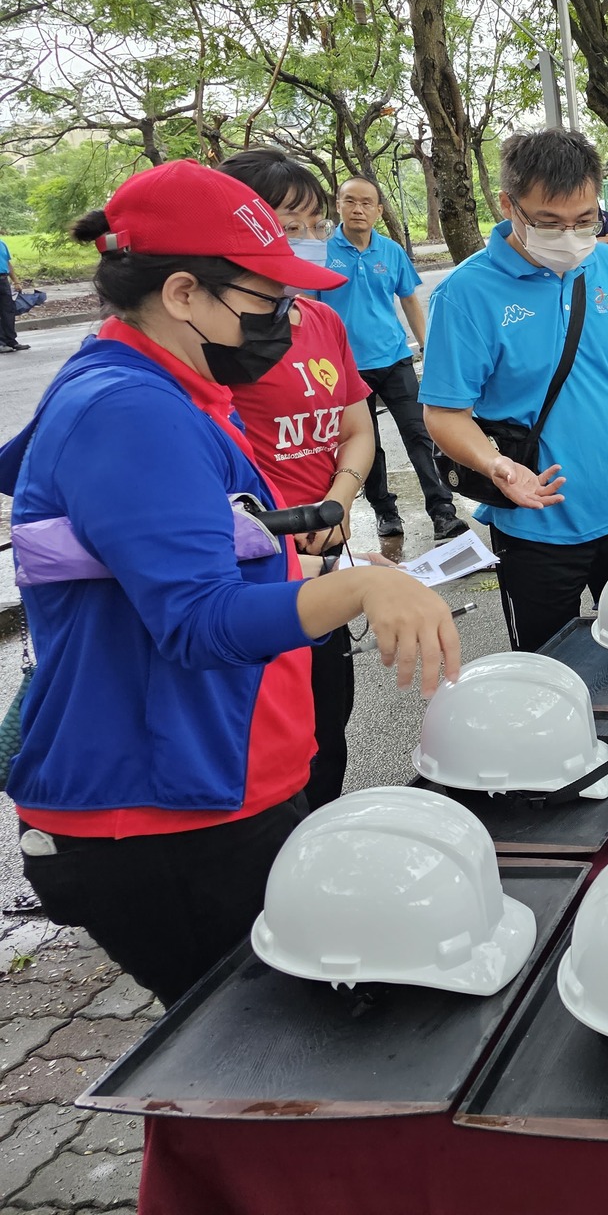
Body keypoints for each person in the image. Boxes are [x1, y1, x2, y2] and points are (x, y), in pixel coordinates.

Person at [1, 159, 459, 1004]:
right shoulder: (128, 410)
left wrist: (325, 564)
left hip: (215, 782)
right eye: (264, 300)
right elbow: (196, 621)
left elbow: (208, 552)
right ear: (183, 294)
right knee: (255, 1056)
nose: (284, 320)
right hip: (167, 812)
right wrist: (359, 593)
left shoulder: (176, 389)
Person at [421, 130, 608, 655]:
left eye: (584, 221)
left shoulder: (605, 265)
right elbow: (444, 414)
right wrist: (497, 467)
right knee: (549, 670)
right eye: (550, 223)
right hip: (536, 526)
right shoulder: (466, 294)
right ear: (509, 205)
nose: (570, 237)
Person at [217, 148, 378, 809]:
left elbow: (357, 430)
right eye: (291, 223)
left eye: (316, 224)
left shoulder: (322, 321)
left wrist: (336, 503)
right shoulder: (216, 339)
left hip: (324, 556)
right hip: (254, 575)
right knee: (263, 745)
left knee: (326, 727)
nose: (310, 240)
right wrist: (283, 529)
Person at [319, 175, 465, 544]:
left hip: (395, 359)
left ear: (379, 211)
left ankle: (443, 514)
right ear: (337, 205)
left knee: (420, 434)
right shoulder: (321, 252)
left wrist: (430, 352)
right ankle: (385, 511)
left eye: (367, 202)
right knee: (366, 443)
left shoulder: (390, 251)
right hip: (343, 369)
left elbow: (410, 301)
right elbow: (308, 311)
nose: (358, 208)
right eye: (350, 201)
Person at [0, 224, 26, 353]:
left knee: (8, 311)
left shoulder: (2, 244)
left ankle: (11, 341)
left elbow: (7, 263)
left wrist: (16, 281)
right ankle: (1, 343)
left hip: (3, 280)